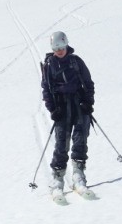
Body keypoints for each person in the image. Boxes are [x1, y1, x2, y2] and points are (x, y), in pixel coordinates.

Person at [40, 31, 95, 191]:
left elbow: (88, 82)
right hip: (61, 107)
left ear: (66, 45)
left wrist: (88, 102)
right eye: (56, 48)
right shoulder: (50, 65)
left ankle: (79, 173)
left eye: (62, 47)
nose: (59, 51)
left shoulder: (76, 61)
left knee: (80, 138)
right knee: (61, 142)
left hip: (79, 105)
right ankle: (58, 177)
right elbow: (46, 90)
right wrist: (52, 109)